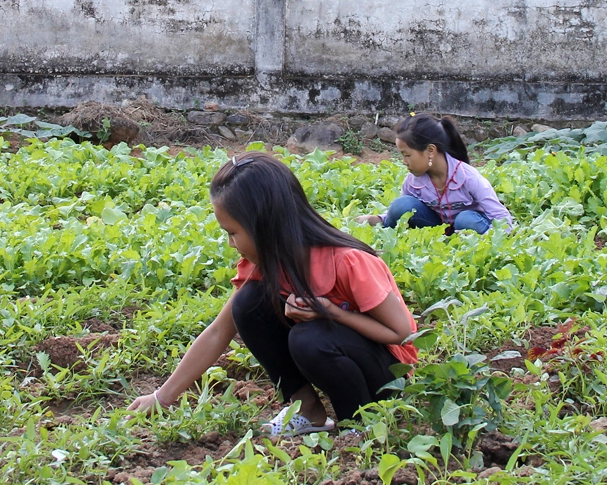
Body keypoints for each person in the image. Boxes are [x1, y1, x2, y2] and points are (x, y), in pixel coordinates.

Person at [128, 152, 417, 437]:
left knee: (309, 339)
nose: (230, 243)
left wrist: (332, 312)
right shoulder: (265, 264)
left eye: (233, 233)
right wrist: (162, 397)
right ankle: (307, 411)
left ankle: (358, 422)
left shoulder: (347, 260)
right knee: (247, 304)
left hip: (388, 374)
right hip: (338, 350)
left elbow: (401, 332)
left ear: (265, 226)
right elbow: (219, 331)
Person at [358, 114, 513, 233]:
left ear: (430, 151)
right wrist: (376, 219)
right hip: (436, 228)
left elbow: (502, 218)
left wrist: (490, 236)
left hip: (468, 231)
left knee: (466, 220)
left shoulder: (468, 177)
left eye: (407, 155)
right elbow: (400, 213)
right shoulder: (413, 182)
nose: (404, 162)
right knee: (402, 204)